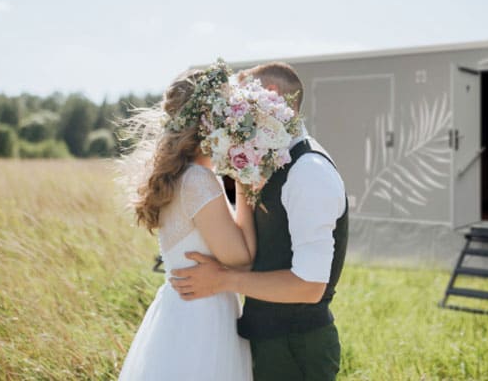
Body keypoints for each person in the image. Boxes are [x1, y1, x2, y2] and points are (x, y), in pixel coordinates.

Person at [170, 62, 349, 381]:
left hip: (297, 350)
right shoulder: (269, 164)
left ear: (270, 96)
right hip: (271, 344)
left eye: (240, 99)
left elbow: (309, 286)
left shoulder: (308, 172)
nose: (231, 112)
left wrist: (223, 281)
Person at [117, 68, 255, 380]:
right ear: (210, 120)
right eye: (231, 112)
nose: (236, 122)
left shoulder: (186, 176)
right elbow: (240, 256)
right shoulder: (197, 179)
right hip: (202, 321)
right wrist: (245, 178)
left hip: (183, 311)